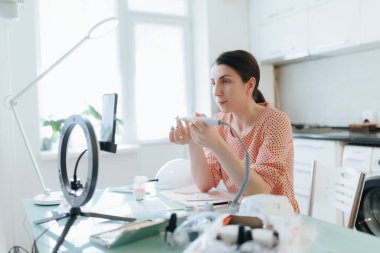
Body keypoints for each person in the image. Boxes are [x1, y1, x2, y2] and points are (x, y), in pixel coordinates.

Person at [169, 50, 299, 212]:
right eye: (213, 83)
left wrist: (216, 144)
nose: (217, 92)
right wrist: (194, 142)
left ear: (250, 85)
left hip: (278, 218)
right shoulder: (220, 121)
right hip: (241, 213)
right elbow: (205, 184)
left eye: (226, 82)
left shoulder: (276, 121)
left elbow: (259, 190)